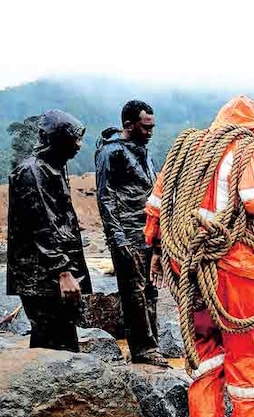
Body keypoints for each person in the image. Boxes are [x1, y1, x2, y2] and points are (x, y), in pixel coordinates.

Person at [145, 96, 254, 417]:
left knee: (205, 340)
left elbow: (156, 208)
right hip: (235, 265)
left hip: (187, 263)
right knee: (249, 349)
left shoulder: (187, 149)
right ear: (253, 127)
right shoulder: (247, 149)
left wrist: (157, 251)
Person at [7, 110, 92, 352]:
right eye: (74, 139)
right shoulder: (33, 172)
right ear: (58, 139)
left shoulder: (54, 168)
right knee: (52, 343)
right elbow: (43, 226)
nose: (78, 145)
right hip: (41, 277)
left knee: (61, 339)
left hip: (50, 274)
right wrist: (63, 272)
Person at [95, 100, 168, 366]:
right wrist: (118, 237)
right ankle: (142, 349)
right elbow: (105, 198)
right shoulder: (110, 153)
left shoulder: (143, 151)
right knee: (133, 291)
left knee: (150, 289)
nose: (150, 132)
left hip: (148, 232)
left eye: (152, 127)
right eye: (145, 127)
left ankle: (152, 345)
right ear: (129, 125)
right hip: (126, 233)